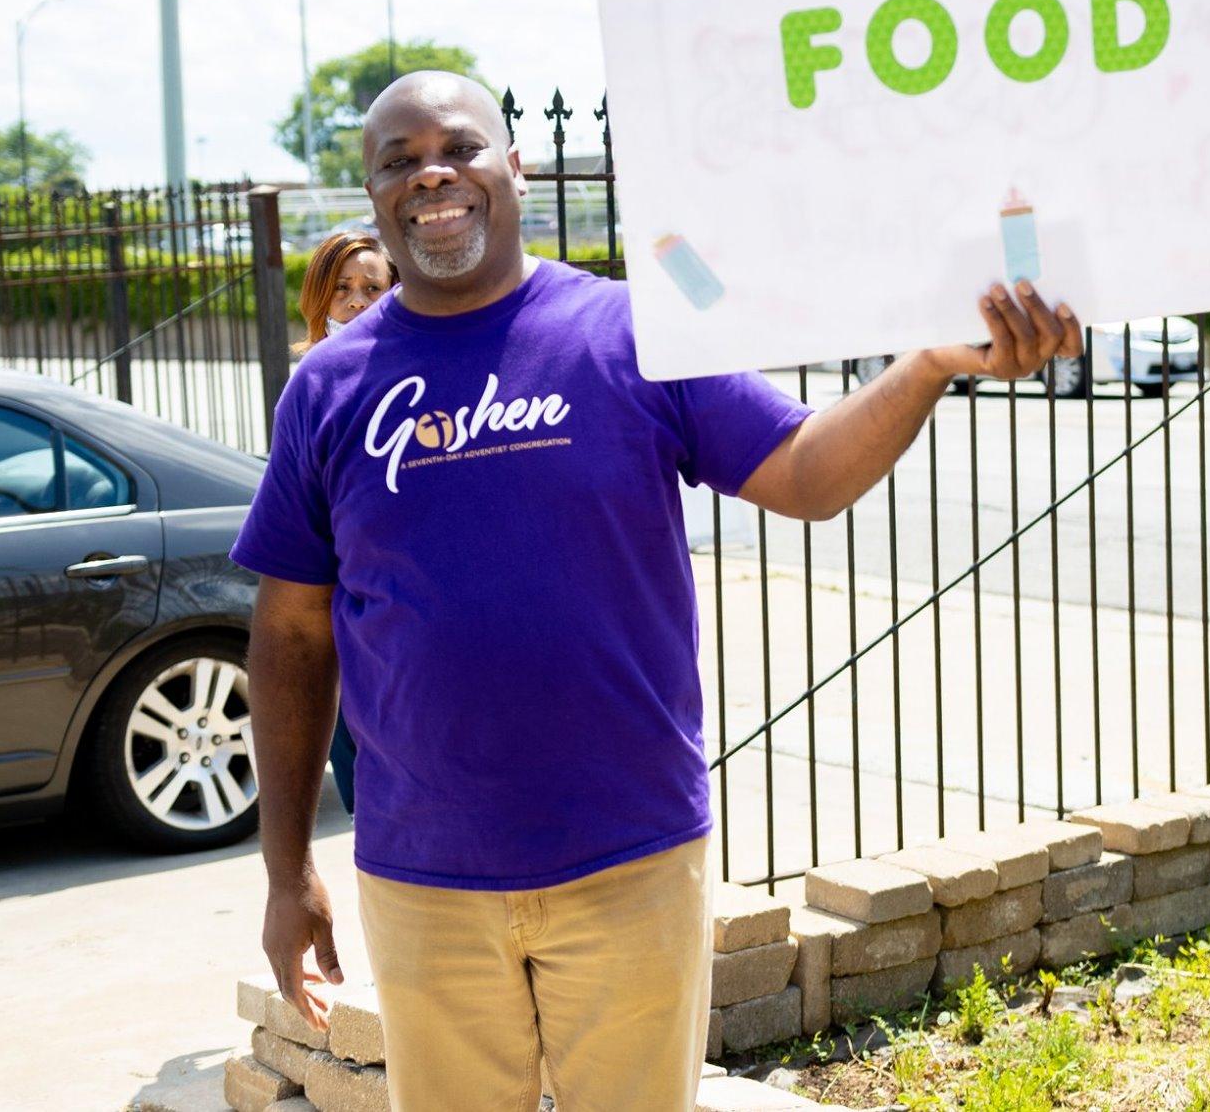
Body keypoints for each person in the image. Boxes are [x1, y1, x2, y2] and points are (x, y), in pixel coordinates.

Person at [230, 71, 1081, 1111]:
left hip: (629, 859)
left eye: (457, 147)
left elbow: (805, 472)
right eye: (397, 162)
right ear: (371, 195)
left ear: (515, 166)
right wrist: (284, 874)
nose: (431, 176)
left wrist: (928, 366)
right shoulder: (329, 387)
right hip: (424, 876)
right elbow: (291, 637)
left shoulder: (633, 334)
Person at [289, 229, 399, 816]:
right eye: (342, 289)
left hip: (406, 593)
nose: (356, 302)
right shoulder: (308, 381)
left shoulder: (417, 363)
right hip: (341, 598)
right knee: (363, 778)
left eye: (371, 288)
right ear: (319, 298)